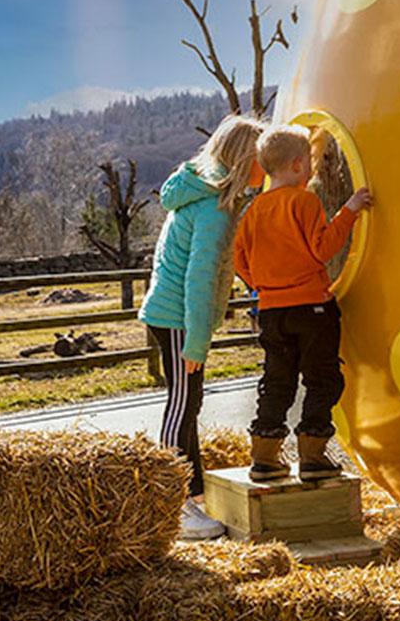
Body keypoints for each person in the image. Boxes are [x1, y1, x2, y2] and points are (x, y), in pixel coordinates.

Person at [139, 114, 266, 540]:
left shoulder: (202, 195)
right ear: (244, 160)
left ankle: (189, 494)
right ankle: (171, 505)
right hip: (178, 318)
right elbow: (198, 279)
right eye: (261, 158)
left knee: (189, 403)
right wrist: (196, 341)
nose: (265, 166)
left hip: (175, 316)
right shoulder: (212, 209)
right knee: (181, 403)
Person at [234, 123, 372, 483]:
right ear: (298, 166)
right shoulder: (304, 201)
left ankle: (264, 458)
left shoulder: (253, 211)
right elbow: (324, 249)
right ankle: (311, 455)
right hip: (311, 308)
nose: (312, 169)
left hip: (271, 312)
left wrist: (265, 285)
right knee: (322, 378)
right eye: (310, 162)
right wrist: (350, 210)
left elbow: (239, 260)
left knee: (277, 380)